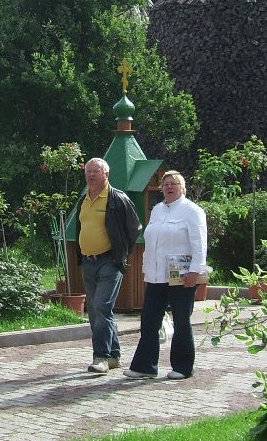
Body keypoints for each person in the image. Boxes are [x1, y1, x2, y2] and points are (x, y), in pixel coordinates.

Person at [124, 170, 208, 381]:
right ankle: (145, 367)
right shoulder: (157, 210)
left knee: (181, 321)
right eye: (166, 184)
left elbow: (199, 244)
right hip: (156, 277)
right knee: (149, 321)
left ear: (182, 188)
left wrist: (195, 271)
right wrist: (147, 270)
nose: (169, 187)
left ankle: (183, 367)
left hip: (182, 278)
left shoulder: (192, 211)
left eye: (174, 183)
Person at [76, 157, 141, 374]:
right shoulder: (83, 199)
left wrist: (120, 255)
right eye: (88, 172)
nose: (91, 175)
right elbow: (80, 228)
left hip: (109, 262)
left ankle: (101, 357)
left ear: (106, 174)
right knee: (97, 310)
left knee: (102, 306)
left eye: (96, 171)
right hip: (88, 261)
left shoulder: (117, 199)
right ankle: (114, 356)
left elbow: (134, 229)